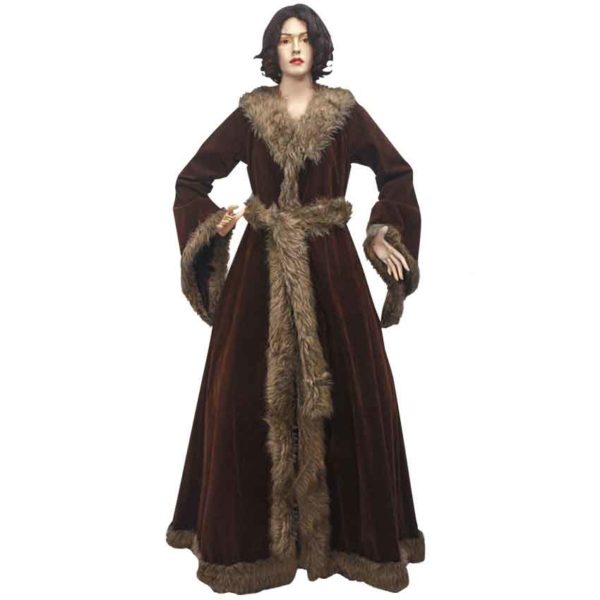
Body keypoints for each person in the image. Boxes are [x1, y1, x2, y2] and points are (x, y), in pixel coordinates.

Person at [166, 3, 424, 594]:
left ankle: (350, 542)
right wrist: (213, 222)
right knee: (243, 396)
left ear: (319, 47)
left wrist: (381, 231)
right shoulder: (250, 115)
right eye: (285, 39)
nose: (296, 47)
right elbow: (190, 181)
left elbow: (396, 174)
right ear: (273, 49)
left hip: (331, 267)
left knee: (353, 394)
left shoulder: (345, 113)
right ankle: (251, 547)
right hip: (260, 271)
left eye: (304, 38)